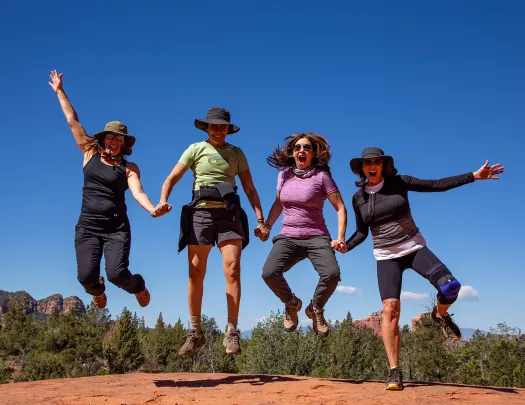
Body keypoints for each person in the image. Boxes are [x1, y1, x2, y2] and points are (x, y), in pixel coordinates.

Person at [338, 146, 504, 390]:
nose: (372, 166)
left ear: (383, 165)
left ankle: (441, 314)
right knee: (390, 309)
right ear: (361, 168)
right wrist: (346, 246)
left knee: (451, 287)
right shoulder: (358, 198)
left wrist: (473, 176)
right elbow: (362, 232)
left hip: (414, 248)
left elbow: (436, 184)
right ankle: (394, 371)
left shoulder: (399, 182)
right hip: (386, 257)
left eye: (376, 161)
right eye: (367, 163)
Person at [49, 70, 170, 310]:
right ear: (104, 139)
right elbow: (72, 119)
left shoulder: (129, 167)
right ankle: (97, 290)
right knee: (85, 277)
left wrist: (152, 209)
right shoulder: (89, 153)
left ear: (124, 144)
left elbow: (138, 192)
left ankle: (138, 286)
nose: (114, 141)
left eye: (119, 138)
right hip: (88, 226)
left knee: (117, 274)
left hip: (116, 228)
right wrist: (60, 91)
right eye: (110, 137)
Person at [157, 107, 268, 356]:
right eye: (214, 126)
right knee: (195, 272)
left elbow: (250, 189)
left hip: (229, 215)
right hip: (201, 214)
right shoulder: (195, 149)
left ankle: (232, 332)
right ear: (206, 127)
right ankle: (195, 331)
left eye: (223, 126)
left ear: (229, 129)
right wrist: (163, 199)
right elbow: (171, 178)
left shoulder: (237, 153)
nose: (218, 130)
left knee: (233, 268)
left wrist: (261, 219)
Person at [258, 133, 347, 337]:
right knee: (269, 273)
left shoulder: (322, 177)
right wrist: (267, 225)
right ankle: (292, 304)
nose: (302, 151)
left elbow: (340, 208)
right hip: (288, 235)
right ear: (292, 152)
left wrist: (340, 237)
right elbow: (279, 203)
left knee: (332, 274)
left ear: (313, 153)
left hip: (316, 236)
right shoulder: (284, 175)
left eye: (307, 147)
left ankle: (315, 308)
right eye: (297, 147)